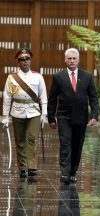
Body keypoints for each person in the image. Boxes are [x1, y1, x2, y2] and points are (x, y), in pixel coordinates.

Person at [48, 48, 99, 185]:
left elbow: (93, 97)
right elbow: (52, 98)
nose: (72, 61)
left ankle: (73, 171)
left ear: (78, 60)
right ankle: (64, 173)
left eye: (74, 58)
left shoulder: (87, 76)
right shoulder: (58, 77)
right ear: (65, 60)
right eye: (69, 58)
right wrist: (51, 118)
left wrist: (94, 115)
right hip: (64, 117)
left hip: (81, 118)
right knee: (65, 144)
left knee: (77, 145)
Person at [2, 48, 47, 179]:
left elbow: (43, 96)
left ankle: (31, 166)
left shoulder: (38, 76)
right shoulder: (12, 77)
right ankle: (22, 167)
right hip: (17, 111)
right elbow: (7, 97)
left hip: (34, 111)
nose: (25, 61)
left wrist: (44, 115)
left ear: (30, 60)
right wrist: (5, 117)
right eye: (22, 59)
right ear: (18, 62)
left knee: (32, 138)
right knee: (20, 140)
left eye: (27, 59)